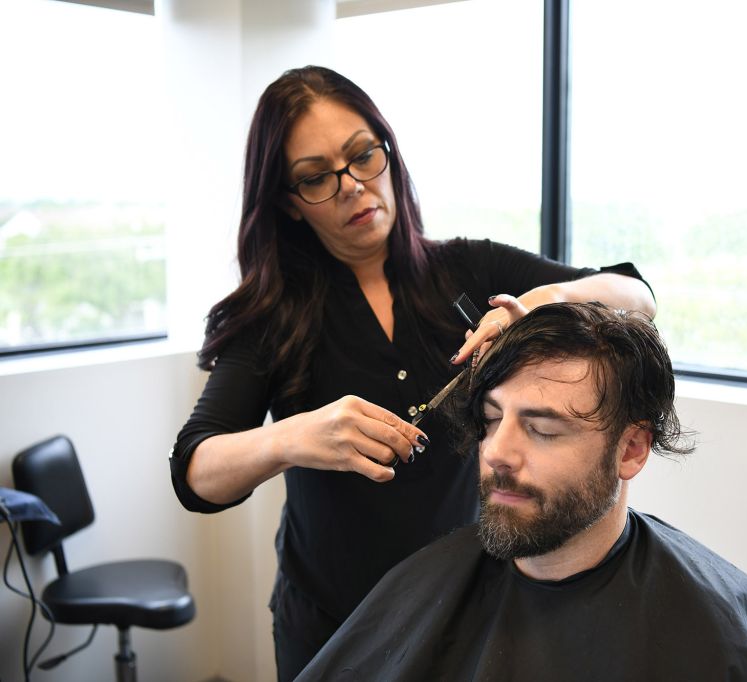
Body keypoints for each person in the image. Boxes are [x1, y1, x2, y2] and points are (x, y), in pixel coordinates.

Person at [168, 66, 656, 681]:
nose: (350, 187)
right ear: (289, 204)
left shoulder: (468, 271)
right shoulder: (275, 319)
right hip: (333, 622)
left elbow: (634, 294)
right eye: (316, 177)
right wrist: (296, 438)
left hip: (464, 603)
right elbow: (193, 472)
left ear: (388, 154)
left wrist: (540, 303)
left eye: (363, 156)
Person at [297, 302, 747, 681]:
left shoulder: (710, 630)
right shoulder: (425, 586)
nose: (496, 452)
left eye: (543, 430)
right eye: (493, 421)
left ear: (631, 450)